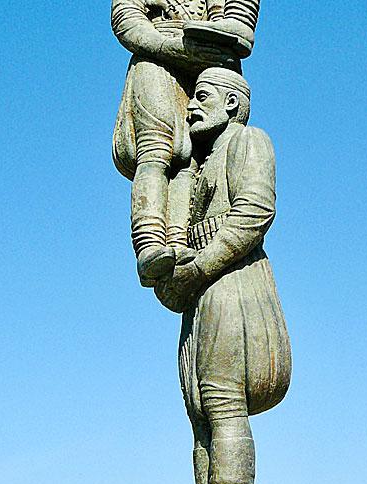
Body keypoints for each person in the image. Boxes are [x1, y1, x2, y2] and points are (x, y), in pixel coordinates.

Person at [151, 67, 291, 484]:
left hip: (232, 284)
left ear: (232, 104)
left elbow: (255, 212)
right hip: (200, 295)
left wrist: (201, 268)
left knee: (222, 403)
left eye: (202, 97)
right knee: (199, 413)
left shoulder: (250, 141)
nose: (191, 108)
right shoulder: (199, 164)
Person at [111, 0, 261, 286]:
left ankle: (180, 243)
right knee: (156, 151)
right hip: (157, 57)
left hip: (208, 64)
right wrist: (167, 46)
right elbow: (126, 17)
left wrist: (222, 36)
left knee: (190, 161)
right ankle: (150, 242)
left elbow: (240, 23)